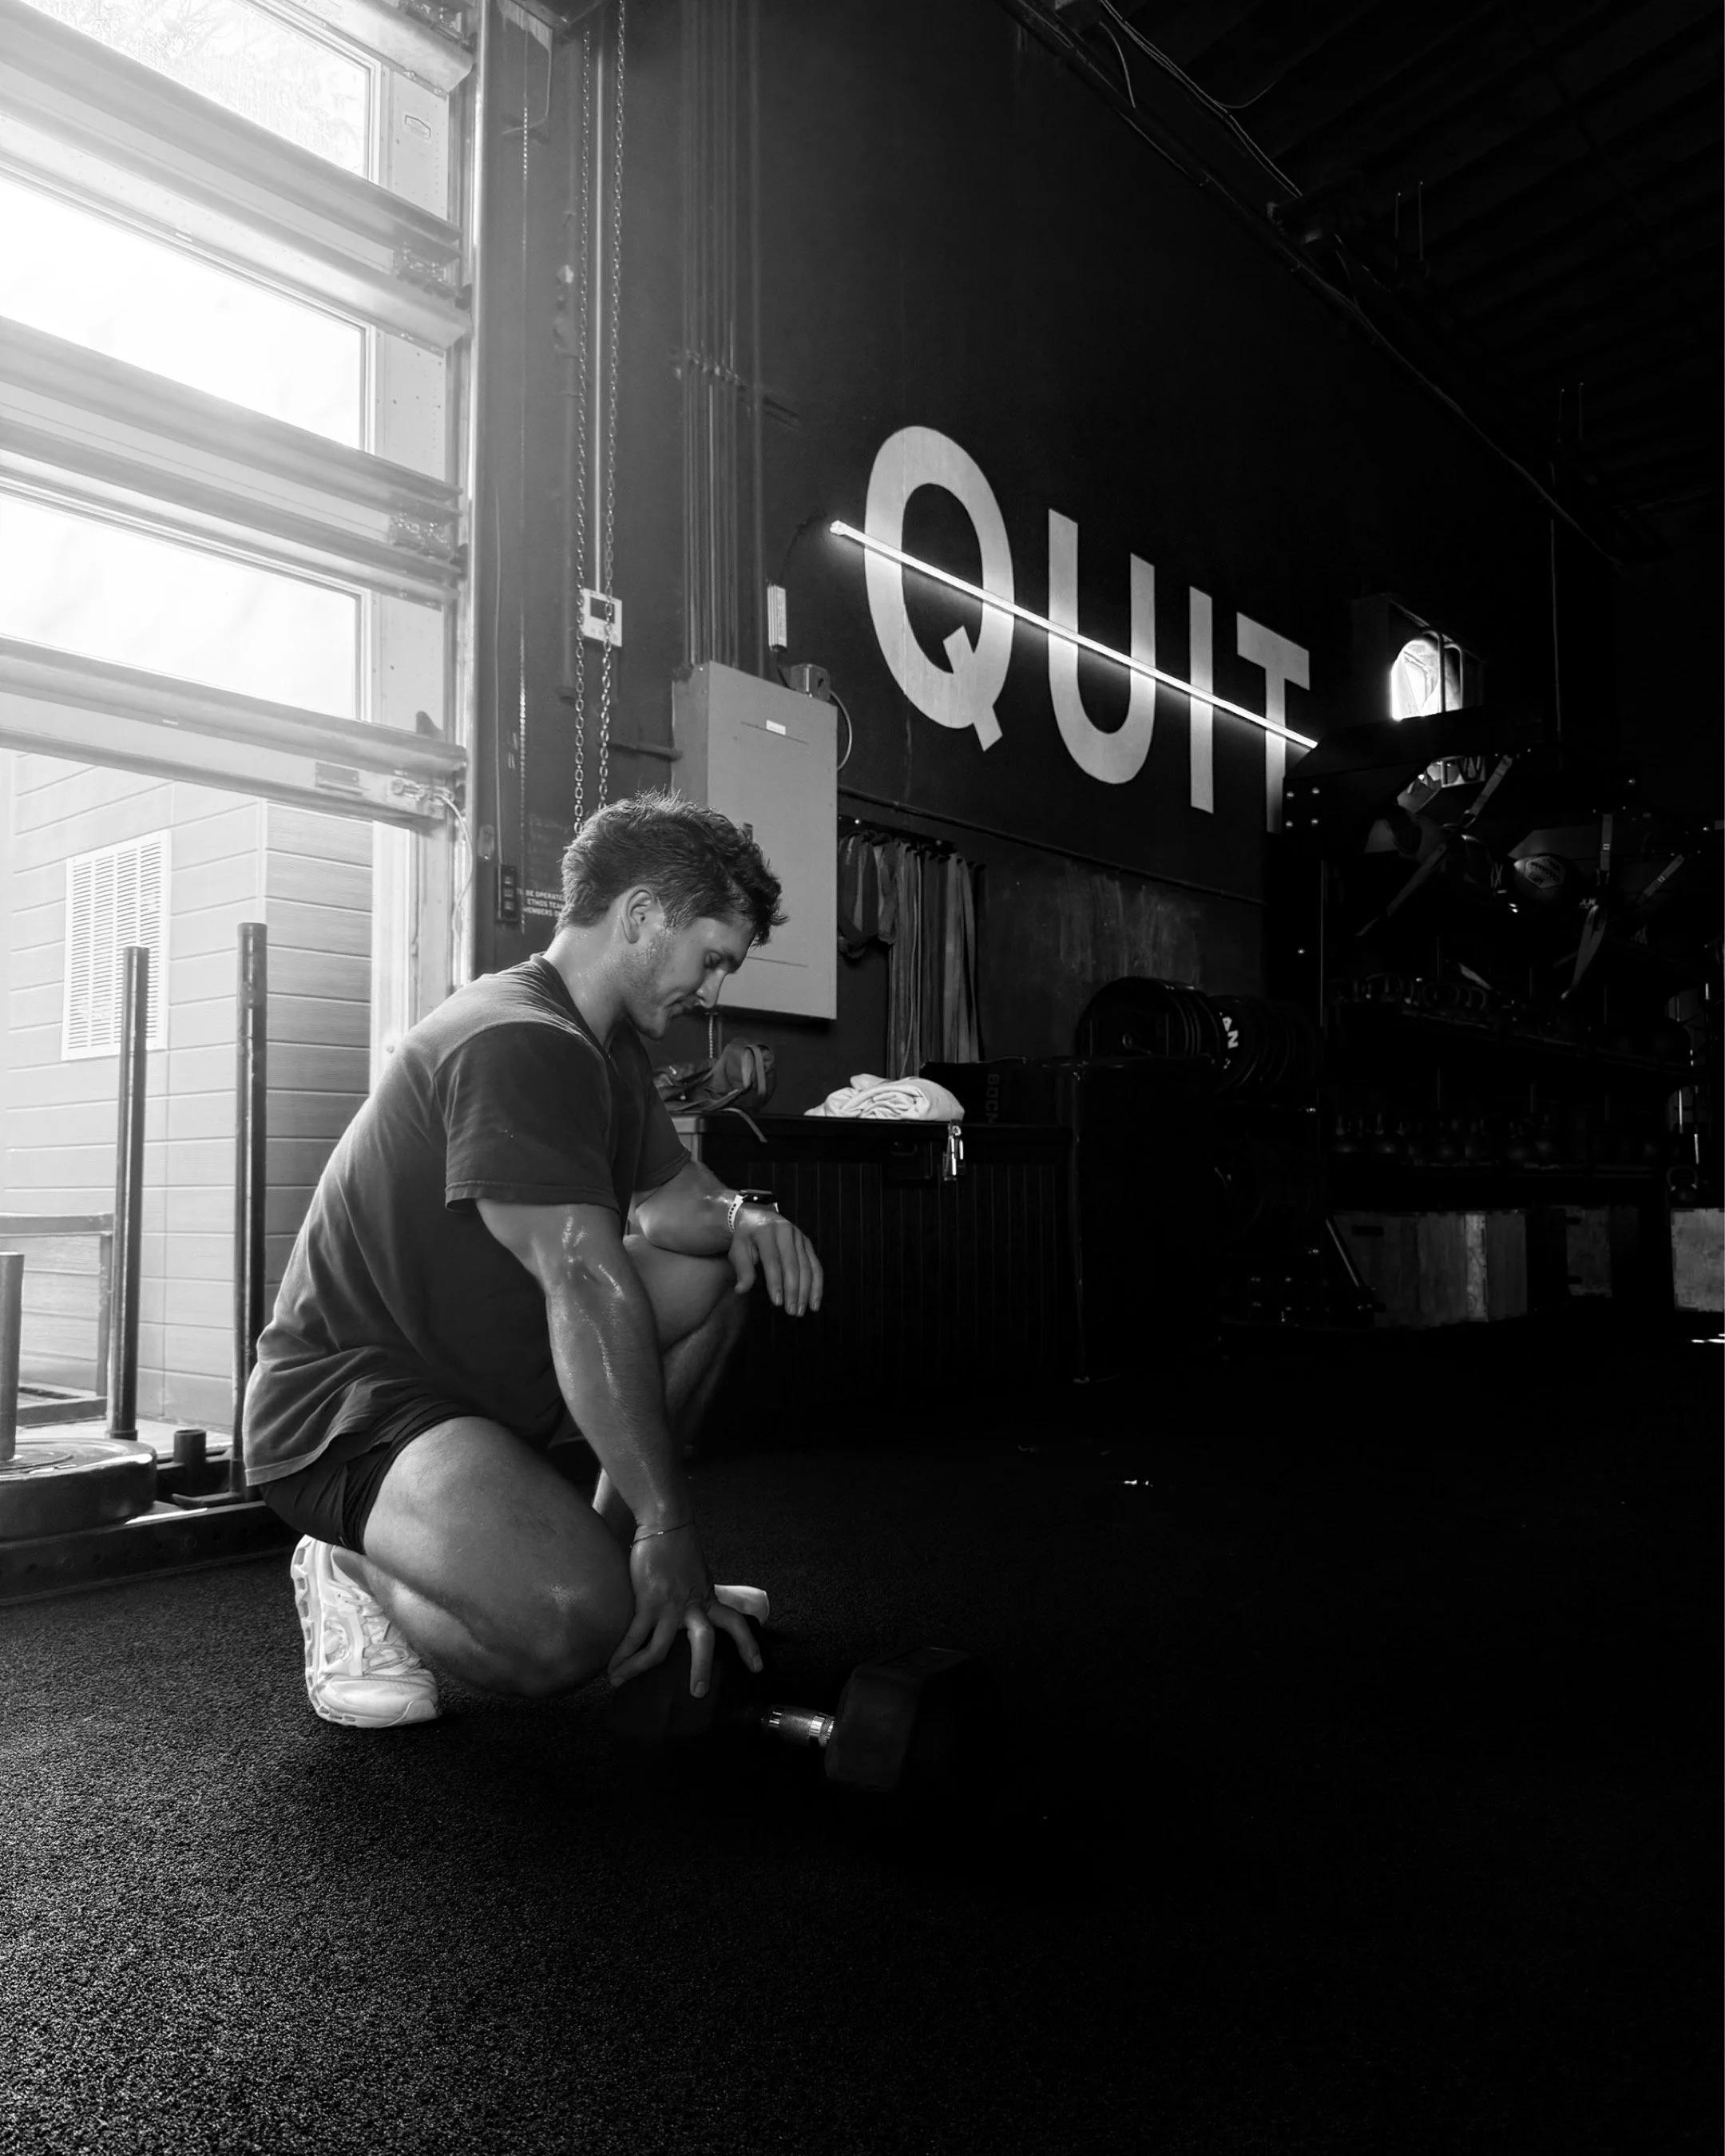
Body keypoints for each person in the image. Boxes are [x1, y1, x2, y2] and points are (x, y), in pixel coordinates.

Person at [244, 791, 823, 1730]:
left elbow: (676, 1203)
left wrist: (742, 1214)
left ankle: (615, 1559)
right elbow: (584, 1282)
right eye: (712, 958)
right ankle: (348, 1562)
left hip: (473, 1382)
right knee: (569, 1631)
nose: (711, 992)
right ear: (641, 917)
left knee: (718, 1267)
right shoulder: (520, 1039)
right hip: (355, 1406)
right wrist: (671, 1527)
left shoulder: (608, 1047)